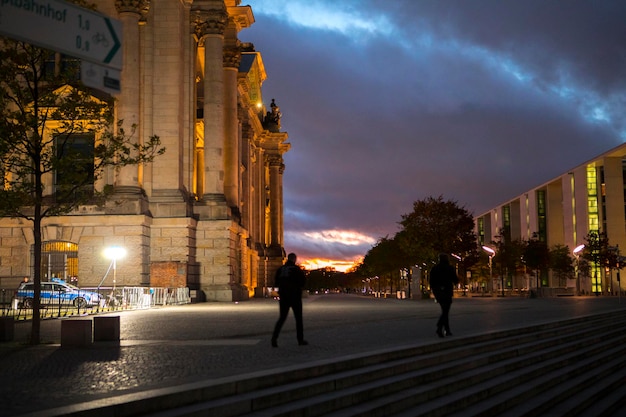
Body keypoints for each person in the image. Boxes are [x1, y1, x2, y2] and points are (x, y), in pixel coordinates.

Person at [271, 253, 308, 347]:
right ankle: (300, 340)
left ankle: (274, 339)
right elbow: (302, 281)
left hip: (283, 295)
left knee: (282, 318)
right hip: (294, 295)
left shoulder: (281, 269)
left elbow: (276, 282)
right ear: (294, 259)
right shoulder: (296, 269)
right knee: (298, 319)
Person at [429, 253, 459, 338]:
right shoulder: (450, 268)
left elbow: (431, 281)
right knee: (446, 311)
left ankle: (446, 330)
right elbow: (455, 280)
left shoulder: (434, 268)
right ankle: (439, 327)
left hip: (438, 292)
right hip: (447, 292)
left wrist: (435, 290)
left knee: (444, 310)